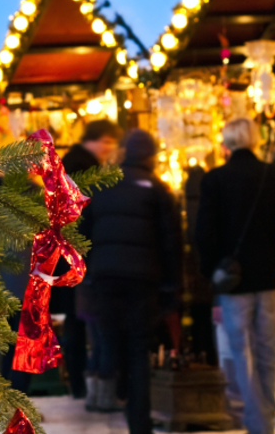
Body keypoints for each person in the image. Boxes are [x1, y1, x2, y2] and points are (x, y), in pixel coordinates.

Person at [195, 119, 275, 434]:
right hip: (268, 279)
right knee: (268, 352)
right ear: (255, 140)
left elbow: (204, 233)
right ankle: (264, 421)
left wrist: (211, 271)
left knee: (240, 354)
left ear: (226, 142)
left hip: (232, 283)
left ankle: (255, 421)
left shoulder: (215, 180)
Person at [77, 129, 181, 433]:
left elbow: (84, 234)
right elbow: (171, 242)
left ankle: (117, 376)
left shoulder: (103, 187)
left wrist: (89, 273)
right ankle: (139, 422)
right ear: (152, 156)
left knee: (112, 340)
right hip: (143, 281)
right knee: (139, 349)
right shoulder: (158, 189)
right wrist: (171, 287)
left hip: (106, 279)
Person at [55, 118, 122, 399]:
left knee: (77, 318)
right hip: (80, 253)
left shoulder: (72, 163)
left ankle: (80, 381)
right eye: (106, 141)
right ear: (93, 140)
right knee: (82, 318)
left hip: (70, 250)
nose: (108, 148)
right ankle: (86, 380)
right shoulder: (84, 167)